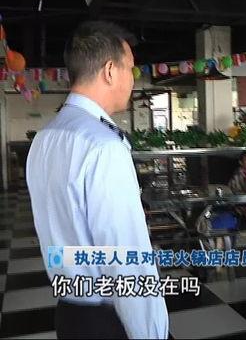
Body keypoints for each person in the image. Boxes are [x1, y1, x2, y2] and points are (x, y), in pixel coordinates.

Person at [26, 21, 168, 339]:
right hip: (108, 320)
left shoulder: (44, 138)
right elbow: (127, 259)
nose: (133, 78)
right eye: (130, 68)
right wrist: (151, 333)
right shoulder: (104, 145)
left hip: (69, 314)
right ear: (110, 71)